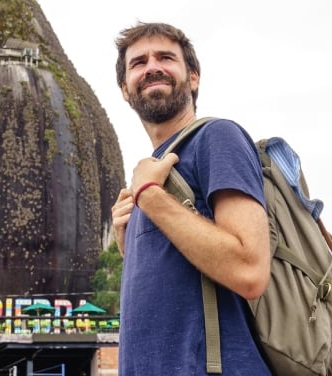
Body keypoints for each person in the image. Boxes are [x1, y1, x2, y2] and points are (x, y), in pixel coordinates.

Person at [111, 22, 272, 375]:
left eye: (166, 57)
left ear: (193, 78)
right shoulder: (147, 179)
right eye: (138, 63)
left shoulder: (217, 137)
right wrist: (131, 247)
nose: (152, 66)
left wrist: (151, 197)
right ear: (125, 88)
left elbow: (250, 271)